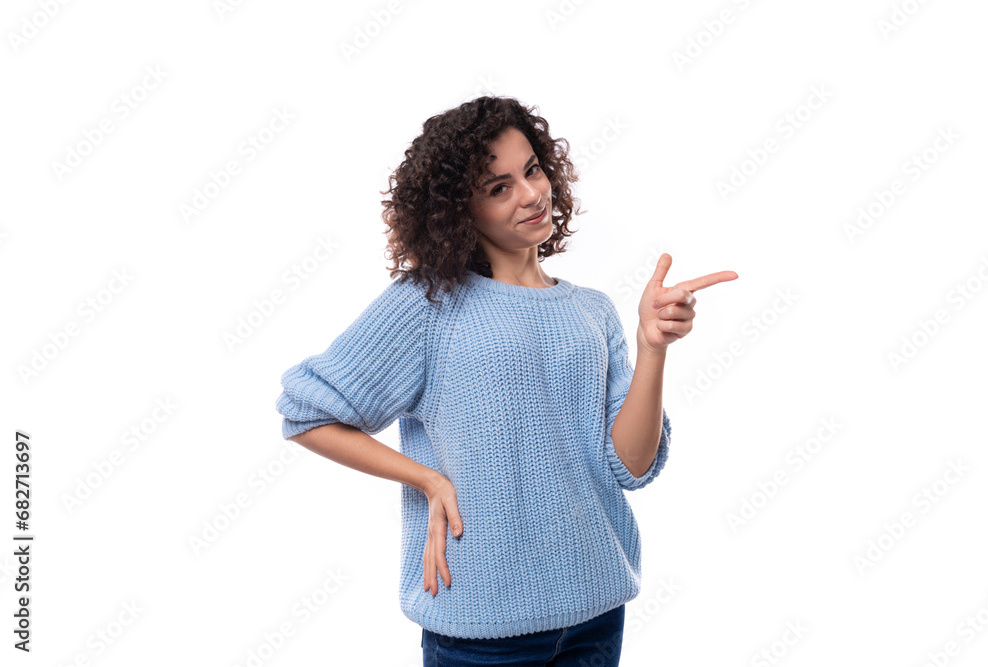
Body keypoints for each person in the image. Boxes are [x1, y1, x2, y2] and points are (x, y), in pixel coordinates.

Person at [274, 95, 738, 666]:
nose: (531, 194)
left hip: (596, 612)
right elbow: (307, 413)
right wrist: (427, 479)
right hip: (478, 627)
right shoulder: (428, 305)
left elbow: (632, 466)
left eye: (532, 170)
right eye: (499, 188)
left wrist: (651, 349)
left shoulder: (592, 311)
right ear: (459, 212)